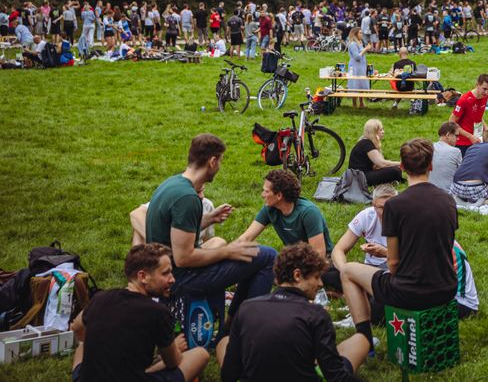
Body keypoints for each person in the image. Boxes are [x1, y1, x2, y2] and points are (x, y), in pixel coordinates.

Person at [340, 139, 458, 354]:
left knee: (348, 271)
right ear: (430, 165)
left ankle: (365, 341)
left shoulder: (395, 205)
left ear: (402, 167)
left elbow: (393, 263)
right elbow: (446, 247)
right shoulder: (448, 200)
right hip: (447, 287)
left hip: (410, 291)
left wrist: (394, 280)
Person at [145, 134, 276, 320]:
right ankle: (247, 326)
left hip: (164, 271)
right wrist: (228, 251)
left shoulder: (172, 183)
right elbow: (184, 258)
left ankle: (232, 326)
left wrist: (208, 219)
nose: (220, 166)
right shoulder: (187, 198)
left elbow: (174, 230)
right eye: (220, 161)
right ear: (212, 161)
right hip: (179, 279)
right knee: (268, 256)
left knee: (251, 256)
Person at [217, 243, 370, 382]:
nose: (320, 284)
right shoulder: (315, 314)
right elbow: (336, 376)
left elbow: (229, 374)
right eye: (316, 277)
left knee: (224, 342)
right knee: (360, 341)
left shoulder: (246, 308)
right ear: (297, 275)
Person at [70, 243, 210, 382]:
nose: (172, 279)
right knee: (200, 354)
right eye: (165, 273)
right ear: (143, 276)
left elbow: (77, 327)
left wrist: (96, 346)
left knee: (81, 350)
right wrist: (176, 349)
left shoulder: (100, 297)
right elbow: (172, 362)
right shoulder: (158, 312)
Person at [235, 169, 335, 288]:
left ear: (279, 195)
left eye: (266, 191)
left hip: (319, 262)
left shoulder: (308, 212)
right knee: (260, 265)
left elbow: (318, 253)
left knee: (330, 277)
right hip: (294, 259)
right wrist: (228, 256)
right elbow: (247, 237)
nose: (262, 194)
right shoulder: (269, 209)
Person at [449, 129, 488, 203]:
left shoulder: (472, 148)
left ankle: (465, 200)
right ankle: (481, 203)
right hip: (476, 187)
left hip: (456, 187)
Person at [348, 119, 403, 186]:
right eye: (380, 130)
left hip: (362, 174)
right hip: (360, 177)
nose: (383, 132)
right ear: (374, 132)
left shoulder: (368, 142)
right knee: (395, 171)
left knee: (396, 170)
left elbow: (377, 166)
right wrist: (400, 164)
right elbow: (381, 163)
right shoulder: (366, 144)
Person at [450, 73, 488, 156]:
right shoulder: (464, 100)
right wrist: (470, 136)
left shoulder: (484, 97)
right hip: (462, 143)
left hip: (476, 140)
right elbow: (451, 122)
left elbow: (478, 116)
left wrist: (486, 129)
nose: (486, 92)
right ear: (477, 85)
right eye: (484, 89)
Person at [429, 122, 463, 191]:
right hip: (448, 195)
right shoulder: (456, 151)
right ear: (448, 135)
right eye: (456, 136)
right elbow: (463, 176)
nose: (458, 139)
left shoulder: (429, 148)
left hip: (428, 192)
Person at [346, 27, 372, 108]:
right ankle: (354, 104)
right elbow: (357, 57)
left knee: (361, 84)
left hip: (361, 66)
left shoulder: (359, 43)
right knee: (355, 84)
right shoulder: (353, 44)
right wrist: (365, 49)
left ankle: (361, 103)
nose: (362, 34)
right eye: (360, 33)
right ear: (355, 34)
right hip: (355, 67)